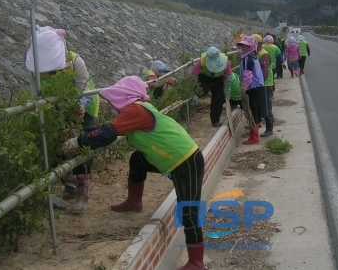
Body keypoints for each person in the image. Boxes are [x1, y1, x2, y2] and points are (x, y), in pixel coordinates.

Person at [62, 76, 206, 270]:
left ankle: (196, 262)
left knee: (188, 211)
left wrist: (77, 141)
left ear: (124, 96)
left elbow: (107, 133)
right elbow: (108, 129)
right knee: (137, 161)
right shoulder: (138, 109)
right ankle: (134, 201)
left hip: (185, 161)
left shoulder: (136, 110)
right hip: (174, 160)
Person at [25, 26, 99, 214]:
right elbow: (37, 96)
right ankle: (69, 185)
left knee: (81, 143)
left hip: (84, 105)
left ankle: (82, 193)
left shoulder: (74, 61)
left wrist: (78, 109)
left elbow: (83, 90)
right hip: (56, 107)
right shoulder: (34, 68)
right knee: (55, 143)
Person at [191, 46, 232, 128]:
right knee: (202, 91)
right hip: (204, 78)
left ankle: (215, 120)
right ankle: (190, 106)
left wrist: (227, 90)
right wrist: (193, 92)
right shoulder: (202, 61)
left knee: (219, 98)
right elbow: (193, 76)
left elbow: (228, 75)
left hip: (218, 78)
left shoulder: (225, 61)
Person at [236, 35, 265, 144]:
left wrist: (243, 87)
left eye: (246, 46)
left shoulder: (248, 58)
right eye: (242, 45)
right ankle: (255, 129)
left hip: (253, 87)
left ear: (251, 46)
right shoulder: (252, 56)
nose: (243, 47)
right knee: (255, 109)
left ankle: (254, 137)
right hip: (257, 86)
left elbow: (248, 74)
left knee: (252, 110)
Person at [252, 34, 274, 137]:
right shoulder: (257, 53)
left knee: (266, 107)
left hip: (265, 85)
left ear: (258, 44)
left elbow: (264, 73)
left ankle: (269, 128)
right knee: (261, 106)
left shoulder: (263, 55)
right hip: (260, 85)